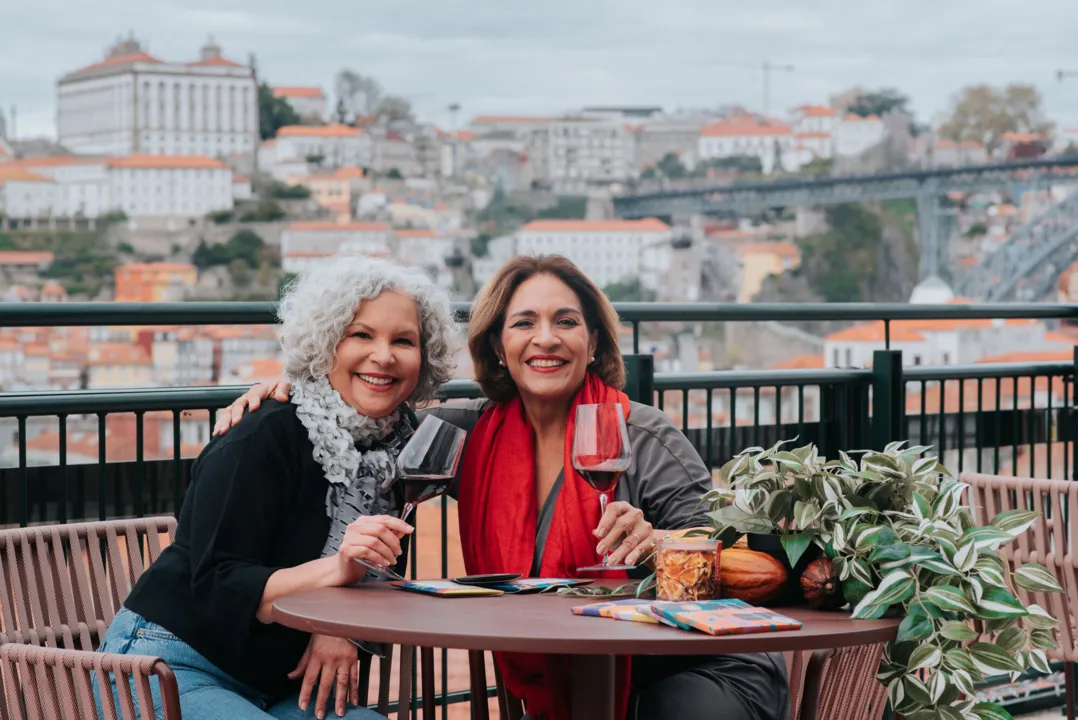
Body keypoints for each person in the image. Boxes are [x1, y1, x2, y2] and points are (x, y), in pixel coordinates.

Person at [215, 255, 789, 720]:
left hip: (698, 671)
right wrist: (297, 385)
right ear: (496, 345)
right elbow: (374, 407)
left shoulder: (640, 433)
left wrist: (662, 543)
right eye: (524, 323)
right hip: (569, 676)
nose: (547, 339)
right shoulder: (463, 436)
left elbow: (744, 557)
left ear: (593, 342)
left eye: (566, 322)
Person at [96, 256, 457, 720]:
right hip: (169, 661)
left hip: (273, 685)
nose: (384, 356)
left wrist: (340, 629)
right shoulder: (260, 434)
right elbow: (214, 587)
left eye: (403, 340)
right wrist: (336, 571)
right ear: (326, 343)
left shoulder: (400, 446)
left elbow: (378, 575)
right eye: (360, 335)